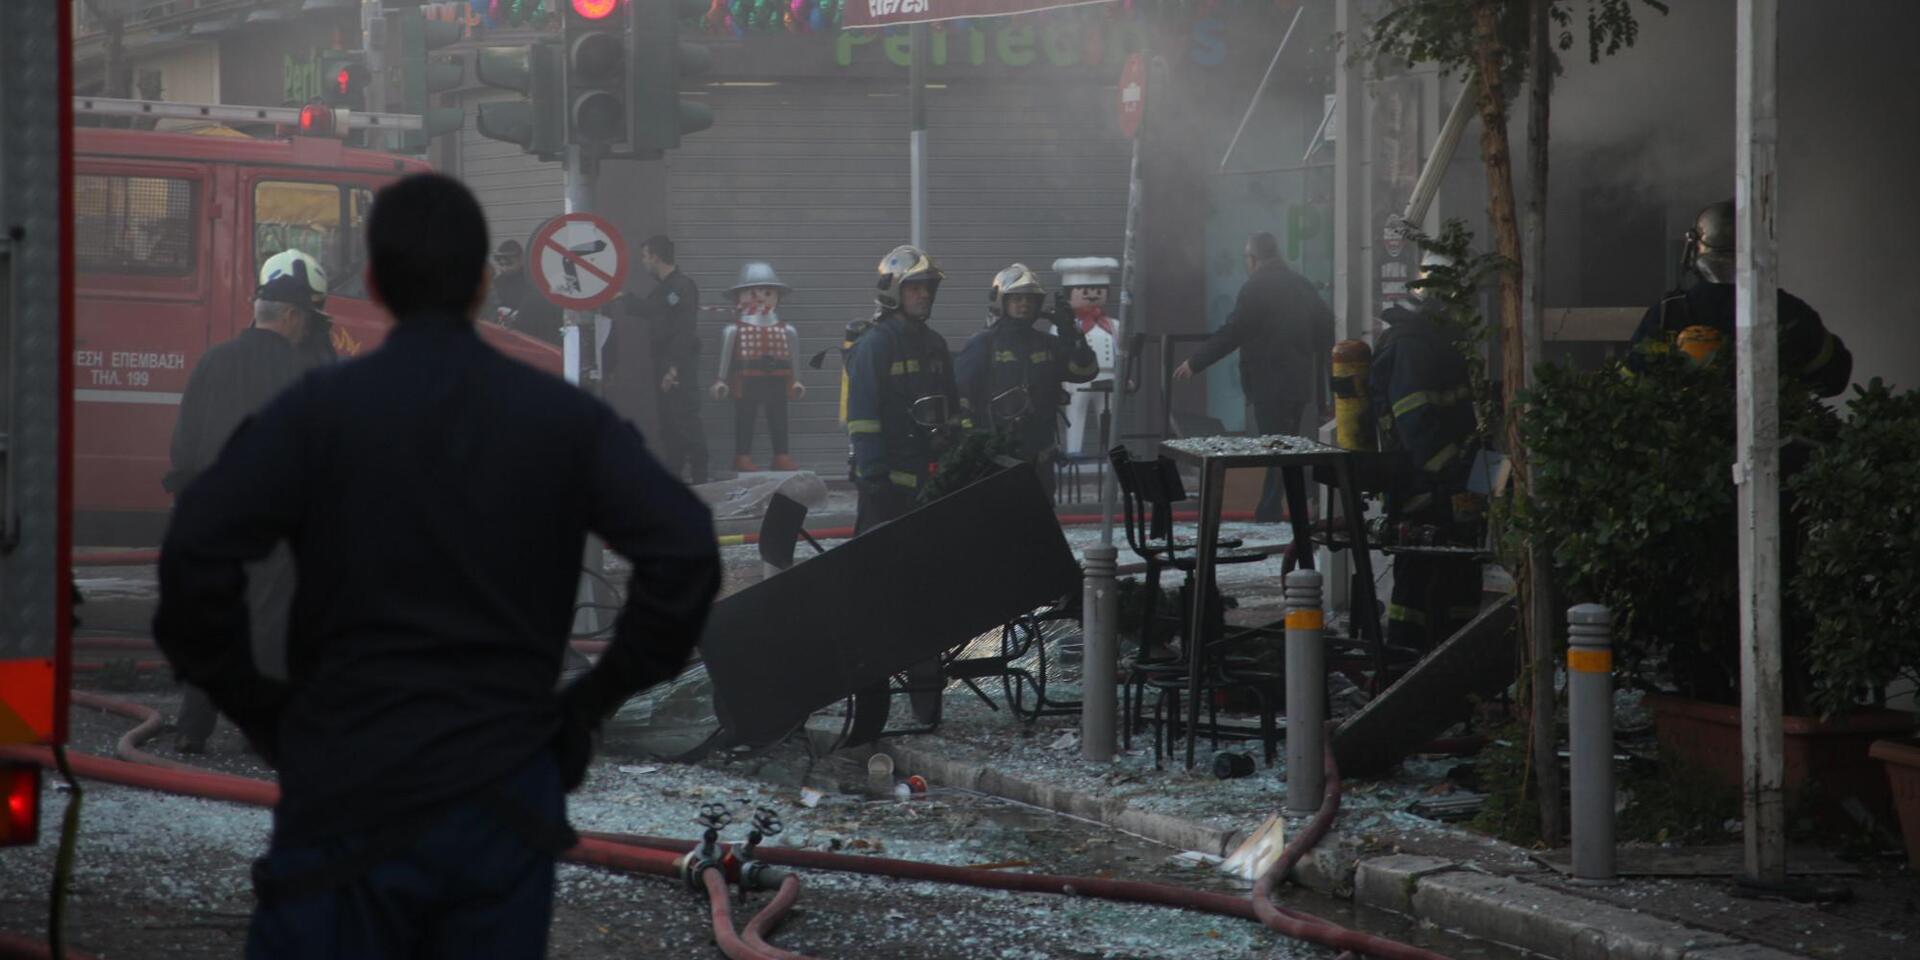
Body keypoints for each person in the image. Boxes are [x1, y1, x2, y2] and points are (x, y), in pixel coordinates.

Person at [152, 173, 720, 958]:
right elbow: (686, 550)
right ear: (484, 285)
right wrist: (589, 704)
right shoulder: (560, 419)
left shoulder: (317, 411)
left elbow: (192, 561)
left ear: (375, 283)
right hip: (500, 790)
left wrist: (265, 716)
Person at [162, 249, 332, 754]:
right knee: (269, 619)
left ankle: (192, 730)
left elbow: (184, 443)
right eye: (310, 319)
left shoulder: (213, 361)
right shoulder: (306, 371)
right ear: (293, 316)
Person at [1174, 232, 1334, 521]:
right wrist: (1324, 381)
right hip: (1298, 382)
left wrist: (1196, 362)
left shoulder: (1256, 287)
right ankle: (1292, 505)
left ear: (1253, 258)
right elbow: (1325, 329)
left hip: (1268, 383)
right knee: (1286, 446)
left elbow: (1234, 331)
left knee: (1276, 449)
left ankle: (1272, 510)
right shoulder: (1301, 284)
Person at [1369, 254, 1483, 653]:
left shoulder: (1440, 340)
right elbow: (1416, 426)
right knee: (1419, 582)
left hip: (1454, 482)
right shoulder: (1413, 345)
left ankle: (1457, 667)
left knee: (1461, 575)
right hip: (1424, 488)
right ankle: (1406, 665)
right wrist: (1457, 476)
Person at [1627, 199, 1852, 398]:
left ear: (1694, 248)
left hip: (1686, 432)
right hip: (1776, 431)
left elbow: (1630, 384)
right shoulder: (1788, 312)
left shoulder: (1667, 313)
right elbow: (1833, 380)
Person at [955, 263, 1099, 497]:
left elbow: (1085, 372)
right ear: (1001, 300)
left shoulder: (1048, 344)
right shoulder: (983, 344)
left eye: (1031, 299)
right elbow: (961, 394)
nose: (1025, 304)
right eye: (1017, 298)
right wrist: (973, 441)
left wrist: (1071, 333)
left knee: (1041, 514)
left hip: (1040, 457)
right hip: (997, 456)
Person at [845, 244, 960, 534]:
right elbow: (862, 418)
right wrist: (874, 476)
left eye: (928, 288)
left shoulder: (935, 344)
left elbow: (952, 408)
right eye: (915, 288)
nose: (925, 295)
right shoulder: (876, 345)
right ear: (893, 291)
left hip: (930, 480)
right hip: (886, 486)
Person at [712, 261, 804, 473]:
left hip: (778, 379)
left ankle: (781, 455)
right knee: (745, 417)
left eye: (767, 292)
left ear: (777, 296)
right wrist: (720, 380)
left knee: (779, 417)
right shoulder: (733, 329)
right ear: (738, 297)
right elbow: (725, 357)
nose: (760, 297)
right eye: (752, 292)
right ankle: (742, 456)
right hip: (746, 380)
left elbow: (794, 358)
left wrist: (797, 381)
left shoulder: (787, 330)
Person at [1049, 257, 1121, 457]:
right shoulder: (1062, 326)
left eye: (1098, 291)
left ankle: (1111, 455)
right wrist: (1060, 381)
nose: (1092, 296)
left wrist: (1124, 376)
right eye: (1084, 291)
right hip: (1075, 380)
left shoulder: (1113, 325)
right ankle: (1074, 454)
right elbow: (1057, 356)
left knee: (1109, 418)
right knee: (1075, 416)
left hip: (1108, 379)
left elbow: (1122, 353)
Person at [486, 238, 563, 346]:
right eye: (501, 264)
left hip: (533, 337)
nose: (504, 267)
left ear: (521, 258)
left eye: (509, 263)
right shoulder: (497, 283)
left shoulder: (533, 281)